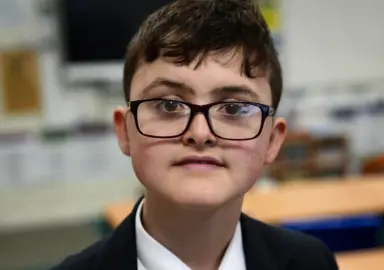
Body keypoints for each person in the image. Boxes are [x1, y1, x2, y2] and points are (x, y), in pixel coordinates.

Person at [52, 0, 338, 269]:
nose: (199, 133)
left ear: (272, 141)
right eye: (169, 105)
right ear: (125, 131)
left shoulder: (310, 262)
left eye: (235, 108)